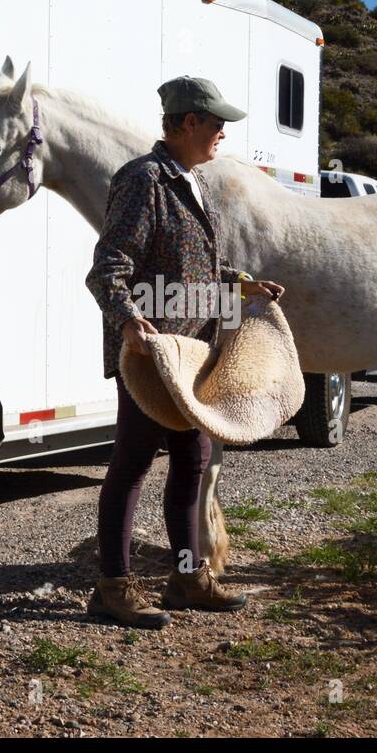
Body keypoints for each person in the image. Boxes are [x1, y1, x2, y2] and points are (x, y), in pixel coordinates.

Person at [83, 76, 285, 629]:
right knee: (131, 465)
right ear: (189, 122)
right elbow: (108, 267)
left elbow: (188, 266)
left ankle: (187, 578)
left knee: (193, 462)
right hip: (151, 360)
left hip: (191, 358)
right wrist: (126, 320)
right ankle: (112, 586)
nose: (223, 132)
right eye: (216, 122)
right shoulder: (143, 179)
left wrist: (238, 283)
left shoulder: (189, 181)